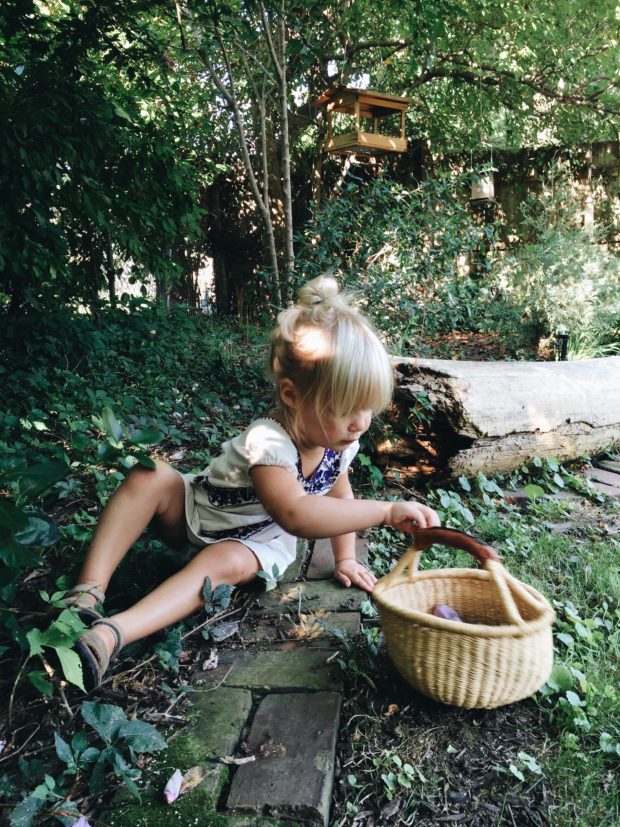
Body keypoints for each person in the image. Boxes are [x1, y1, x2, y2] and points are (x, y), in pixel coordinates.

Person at [65, 276, 440, 689]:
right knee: (147, 473)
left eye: (368, 407)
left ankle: (112, 634)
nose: (361, 422)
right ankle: (87, 593)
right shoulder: (269, 443)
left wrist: (346, 558)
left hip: (254, 541)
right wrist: (385, 512)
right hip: (195, 511)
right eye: (345, 408)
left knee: (228, 562)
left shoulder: (341, 441)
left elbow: (339, 491)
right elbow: (297, 514)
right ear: (292, 394)